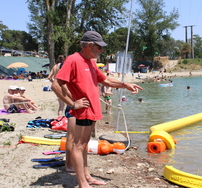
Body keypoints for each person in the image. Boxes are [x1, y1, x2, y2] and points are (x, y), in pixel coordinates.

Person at [51, 31, 143, 188]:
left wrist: (124, 85)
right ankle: (82, 183)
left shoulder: (91, 62)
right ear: (88, 45)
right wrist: (73, 104)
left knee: (85, 144)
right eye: (99, 47)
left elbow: (105, 79)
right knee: (78, 145)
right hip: (83, 110)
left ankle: (87, 177)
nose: (101, 50)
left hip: (93, 110)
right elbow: (55, 85)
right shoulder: (73, 60)